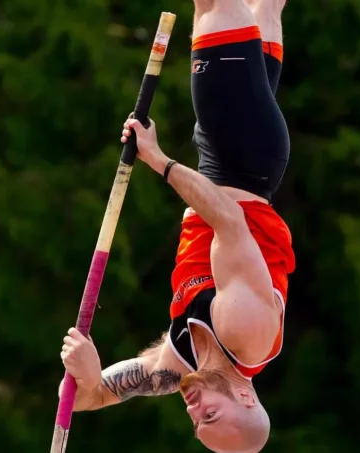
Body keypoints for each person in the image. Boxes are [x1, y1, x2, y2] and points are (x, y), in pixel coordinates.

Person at [58, 0, 293, 451]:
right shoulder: (245, 333)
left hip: (231, 163)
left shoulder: (181, 363)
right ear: (246, 396)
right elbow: (228, 220)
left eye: (196, 422)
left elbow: (89, 398)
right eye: (211, 414)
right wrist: (158, 160)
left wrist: (87, 374)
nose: (193, 410)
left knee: (264, 8)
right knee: (213, 6)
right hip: (240, 157)